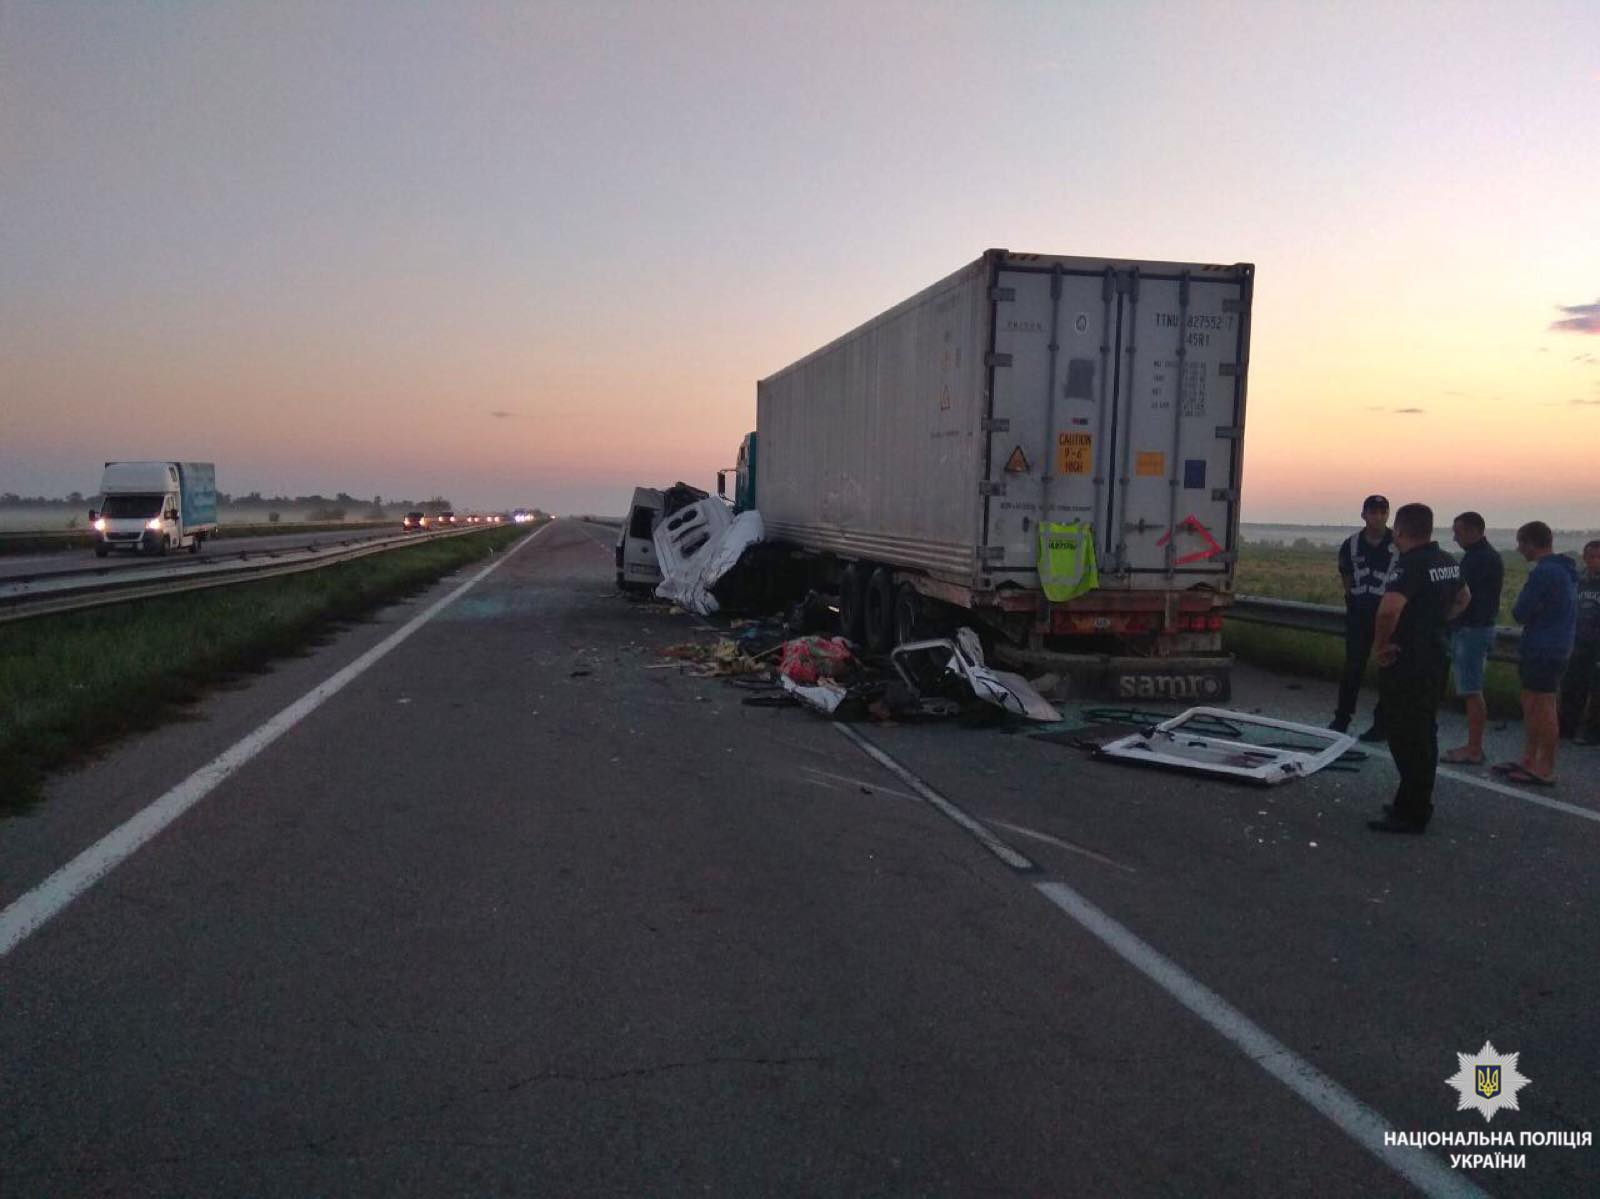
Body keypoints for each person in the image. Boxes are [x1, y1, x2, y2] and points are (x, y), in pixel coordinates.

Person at [1366, 503, 1469, 833]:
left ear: (1399, 529)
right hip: (1435, 656)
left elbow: (1388, 610)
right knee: (1423, 730)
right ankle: (1409, 800)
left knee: (1405, 735)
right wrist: (1438, 623)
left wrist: (1381, 646)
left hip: (1407, 660)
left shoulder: (1411, 564)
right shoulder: (1446, 561)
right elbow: (1464, 597)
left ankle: (1413, 811)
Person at [1495, 521, 1578, 785]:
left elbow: (1520, 611)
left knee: (1543, 706)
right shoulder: (1564, 571)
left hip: (1543, 646)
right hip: (1556, 644)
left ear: (1531, 543)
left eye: (1521, 543)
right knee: (1532, 702)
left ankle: (1545, 768)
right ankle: (1529, 759)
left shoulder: (1544, 572)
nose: (1519, 549)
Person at [1332, 494, 1398, 740]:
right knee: (1353, 668)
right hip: (1360, 614)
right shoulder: (1351, 544)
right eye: (1373, 512)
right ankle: (1341, 720)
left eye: (1383, 512)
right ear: (1364, 515)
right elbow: (1346, 576)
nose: (1378, 516)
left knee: (1387, 670)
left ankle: (1382, 724)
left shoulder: (1397, 542)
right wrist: (1352, 602)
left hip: (1389, 615)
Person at [1441, 512, 1504, 765]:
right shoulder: (1485, 556)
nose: (1454, 538)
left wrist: (1445, 616)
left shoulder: (1478, 560)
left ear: (1472, 530)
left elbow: (1461, 595)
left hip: (1472, 631)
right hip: (1478, 629)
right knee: (1471, 689)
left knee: (1471, 691)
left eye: (1458, 532)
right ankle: (1473, 745)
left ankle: (1474, 748)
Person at [1557, 539, 1600, 745]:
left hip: (1596, 644)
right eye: (1590, 556)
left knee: (1597, 689)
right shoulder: (1579, 580)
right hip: (1577, 639)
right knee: (1572, 685)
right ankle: (1566, 726)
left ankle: (1593, 732)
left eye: (1597, 557)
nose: (1593, 561)